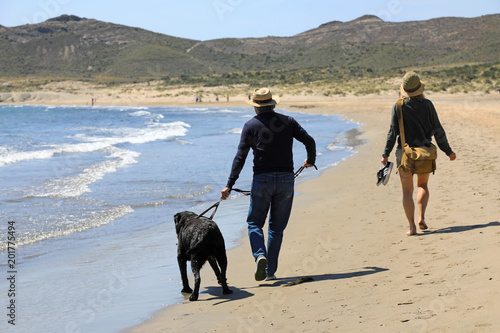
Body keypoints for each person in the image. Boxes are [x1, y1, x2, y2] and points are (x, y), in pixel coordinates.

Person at [221, 88, 316, 281]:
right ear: (272, 104)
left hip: (262, 180)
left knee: (255, 223)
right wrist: (310, 160)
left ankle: (260, 255)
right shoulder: (288, 121)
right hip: (286, 180)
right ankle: (270, 271)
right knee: (276, 228)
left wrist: (229, 185)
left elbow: (240, 157)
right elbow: (309, 141)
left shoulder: (250, 125)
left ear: (256, 108)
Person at [381, 72, 457, 236]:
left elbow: (392, 133)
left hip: (404, 155)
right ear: (419, 89)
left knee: (406, 192)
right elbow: (438, 130)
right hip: (425, 153)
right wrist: (448, 151)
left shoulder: (398, 106)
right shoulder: (428, 105)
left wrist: (385, 154)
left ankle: (412, 227)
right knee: (422, 186)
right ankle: (421, 217)